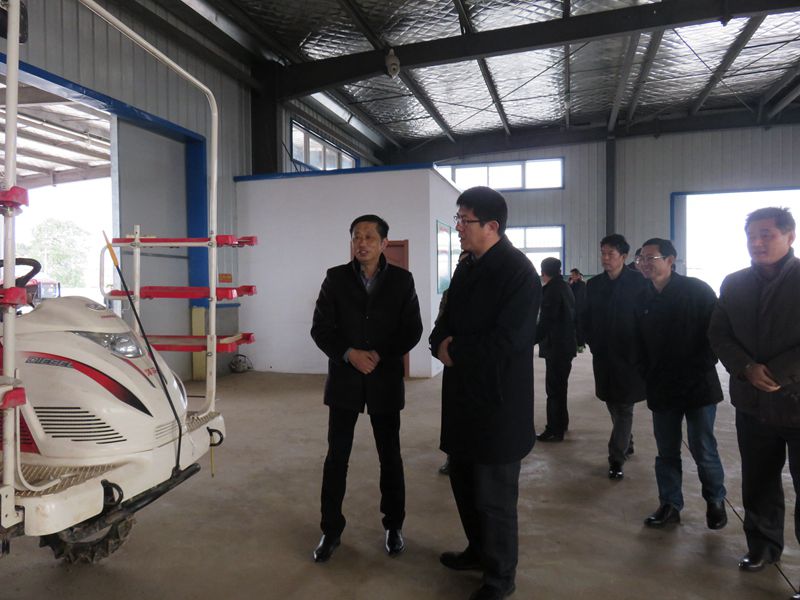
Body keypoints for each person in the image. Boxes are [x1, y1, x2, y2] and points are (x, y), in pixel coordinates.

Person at [430, 186, 540, 600]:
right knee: (464, 483)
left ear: (492, 226)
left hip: (498, 403)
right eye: (458, 218)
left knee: (494, 498)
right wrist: (438, 343)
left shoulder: (518, 272)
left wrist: (454, 350)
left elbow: (511, 339)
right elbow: (446, 316)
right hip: (463, 398)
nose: (458, 227)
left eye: (465, 220)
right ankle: (477, 551)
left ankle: (500, 577)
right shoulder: (467, 266)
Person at [310, 214, 422, 563]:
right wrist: (349, 354)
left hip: (384, 380)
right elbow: (320, 328)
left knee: (390, 457)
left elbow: (412, 329)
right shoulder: (335, 278)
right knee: (336, 458)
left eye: (370, 237)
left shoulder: (402, 281)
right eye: (357, 236)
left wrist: (379, 354)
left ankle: (394, 525)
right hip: (345, 381)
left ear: (384, 243)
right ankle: (331, 530)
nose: (362, 243)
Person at [708, 207, 800, 585]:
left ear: (790, 236)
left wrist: (777, 372)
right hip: (752, 404)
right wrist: (746, 367)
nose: (757, 243)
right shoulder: (734, 283)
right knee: (759, 480)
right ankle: (762, 545)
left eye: (767, 235)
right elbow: (718, 333)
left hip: (796, 401)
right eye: (751, 236)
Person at [635, 238, 727, 529]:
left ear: (670, 260)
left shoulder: (697, 291)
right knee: (666, 452)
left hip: (697, 385)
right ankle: (670, 504)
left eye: (651, 258)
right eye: (641, 259)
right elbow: (636, 341)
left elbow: (718, 333)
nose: (645, 264)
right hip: (661, 387)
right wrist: (645, 372)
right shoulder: (641, 296)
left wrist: (702, 364)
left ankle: (715, 500)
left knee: (703, 448)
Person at [582, 234, 647, 479]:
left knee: (624, 406)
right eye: (603, 253)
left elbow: (645, 317)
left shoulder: (639, 282)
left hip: (630, 357)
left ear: (624, 256)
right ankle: (626, 440)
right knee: (611, 400)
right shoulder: (594, 284)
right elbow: (586, 316)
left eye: (611, 253)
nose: (605, 258)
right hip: (604, 355)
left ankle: (616, 458)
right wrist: (591, 341)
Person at [536, 257, 577, 442]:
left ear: (543, 272)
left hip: (556, 347)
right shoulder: (565, 286)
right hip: (565, 345)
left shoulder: (551, 290)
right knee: (561, 387)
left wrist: (530, 340)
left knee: (554, 390)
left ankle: (554, 429)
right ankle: (562, 423)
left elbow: (546, 321)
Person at [568, 268, 587, 350]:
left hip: (580, 310)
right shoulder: (571, 284)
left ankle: (581, 345)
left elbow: (580, 298)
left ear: (578, 275)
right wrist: (570, 285)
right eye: (571, 275)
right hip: (573, 310)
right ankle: (575, 344)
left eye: (573, 275)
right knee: (573, 328)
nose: (571, 276)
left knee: (580, 327)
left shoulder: (582, 285)